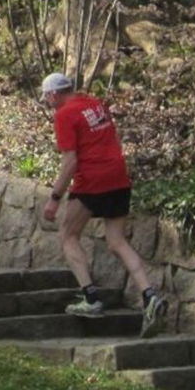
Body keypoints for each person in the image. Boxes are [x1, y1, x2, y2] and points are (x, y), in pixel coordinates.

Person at [40, 72, 168, 338]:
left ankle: (90, 297)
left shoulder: (64, 115)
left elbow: (71, 161)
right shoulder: (95, 104)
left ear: (54, 94)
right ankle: (149, 295)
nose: (47, 102)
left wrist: (54, 199)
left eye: (47, 97)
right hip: (118, 176)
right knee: (117, 241)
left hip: (92, 180)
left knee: (68, 235)